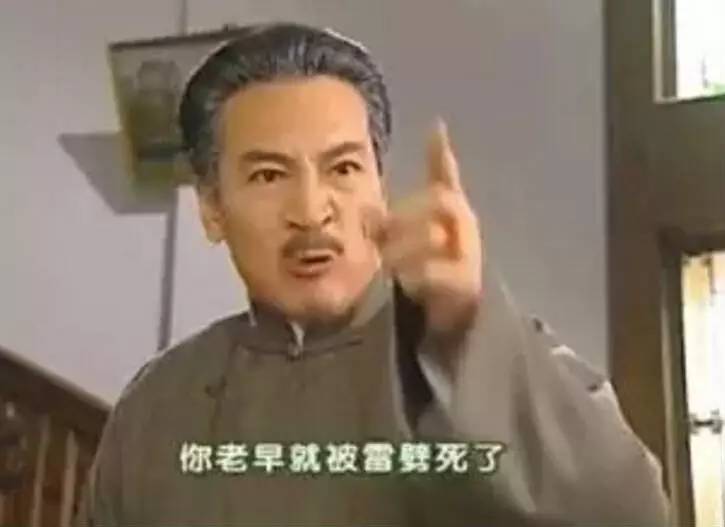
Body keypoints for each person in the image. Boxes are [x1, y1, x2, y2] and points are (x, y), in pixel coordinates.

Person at [76, 23, 669, 526]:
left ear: (379, 187)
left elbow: (631, 512)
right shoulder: (157, 404)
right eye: (268, 176)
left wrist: (468, 326)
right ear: (212, 207)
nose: (312, 211)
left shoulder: (480, 351)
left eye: (343, 168)